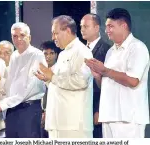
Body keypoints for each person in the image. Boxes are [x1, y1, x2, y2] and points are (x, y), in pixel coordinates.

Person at [85, 8, 149, 138]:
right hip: (109, 115)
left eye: (111, 26)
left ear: (123, 26)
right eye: (107, 26)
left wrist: (106, 71)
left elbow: (133, 80)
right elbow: (106, 85)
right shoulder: (111, 51)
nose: (107, 30)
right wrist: (98, 76)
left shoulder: (137, 48)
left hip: (128, 118)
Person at [35, 15, 93, 138]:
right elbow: (58, 83)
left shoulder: (82, 51)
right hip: (57, 122)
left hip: (73, 125)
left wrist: (53, 77)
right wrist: (48, 80)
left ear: (67, 30)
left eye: (55, 33)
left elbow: (81, 81)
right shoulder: (62, 54)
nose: (53, 38)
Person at [0, 22, 47, 138]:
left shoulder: (37, 55)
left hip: (29, 109)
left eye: (22, 35)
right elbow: (10, 84)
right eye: (15, 36)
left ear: (29, 37)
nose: (18, 39)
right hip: (12, 110)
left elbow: (30, 87)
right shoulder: (14, 56)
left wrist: (4, 103)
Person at [80, 13, 111, 138]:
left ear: (97, 28)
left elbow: (107, 83)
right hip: (81, 107)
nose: (82, 29)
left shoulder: (107, 50)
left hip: (96, 110)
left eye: (86, 26)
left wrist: (99, 109)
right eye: (81, 26)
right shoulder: (81, 50)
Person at [40, 40, 61, 138]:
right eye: (45, 53)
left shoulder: (59, 71)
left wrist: (45, 111)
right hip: (38, 112)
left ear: (56, 54)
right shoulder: (38, 70)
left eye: (51, 53)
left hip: (54, 112)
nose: (48, 56)